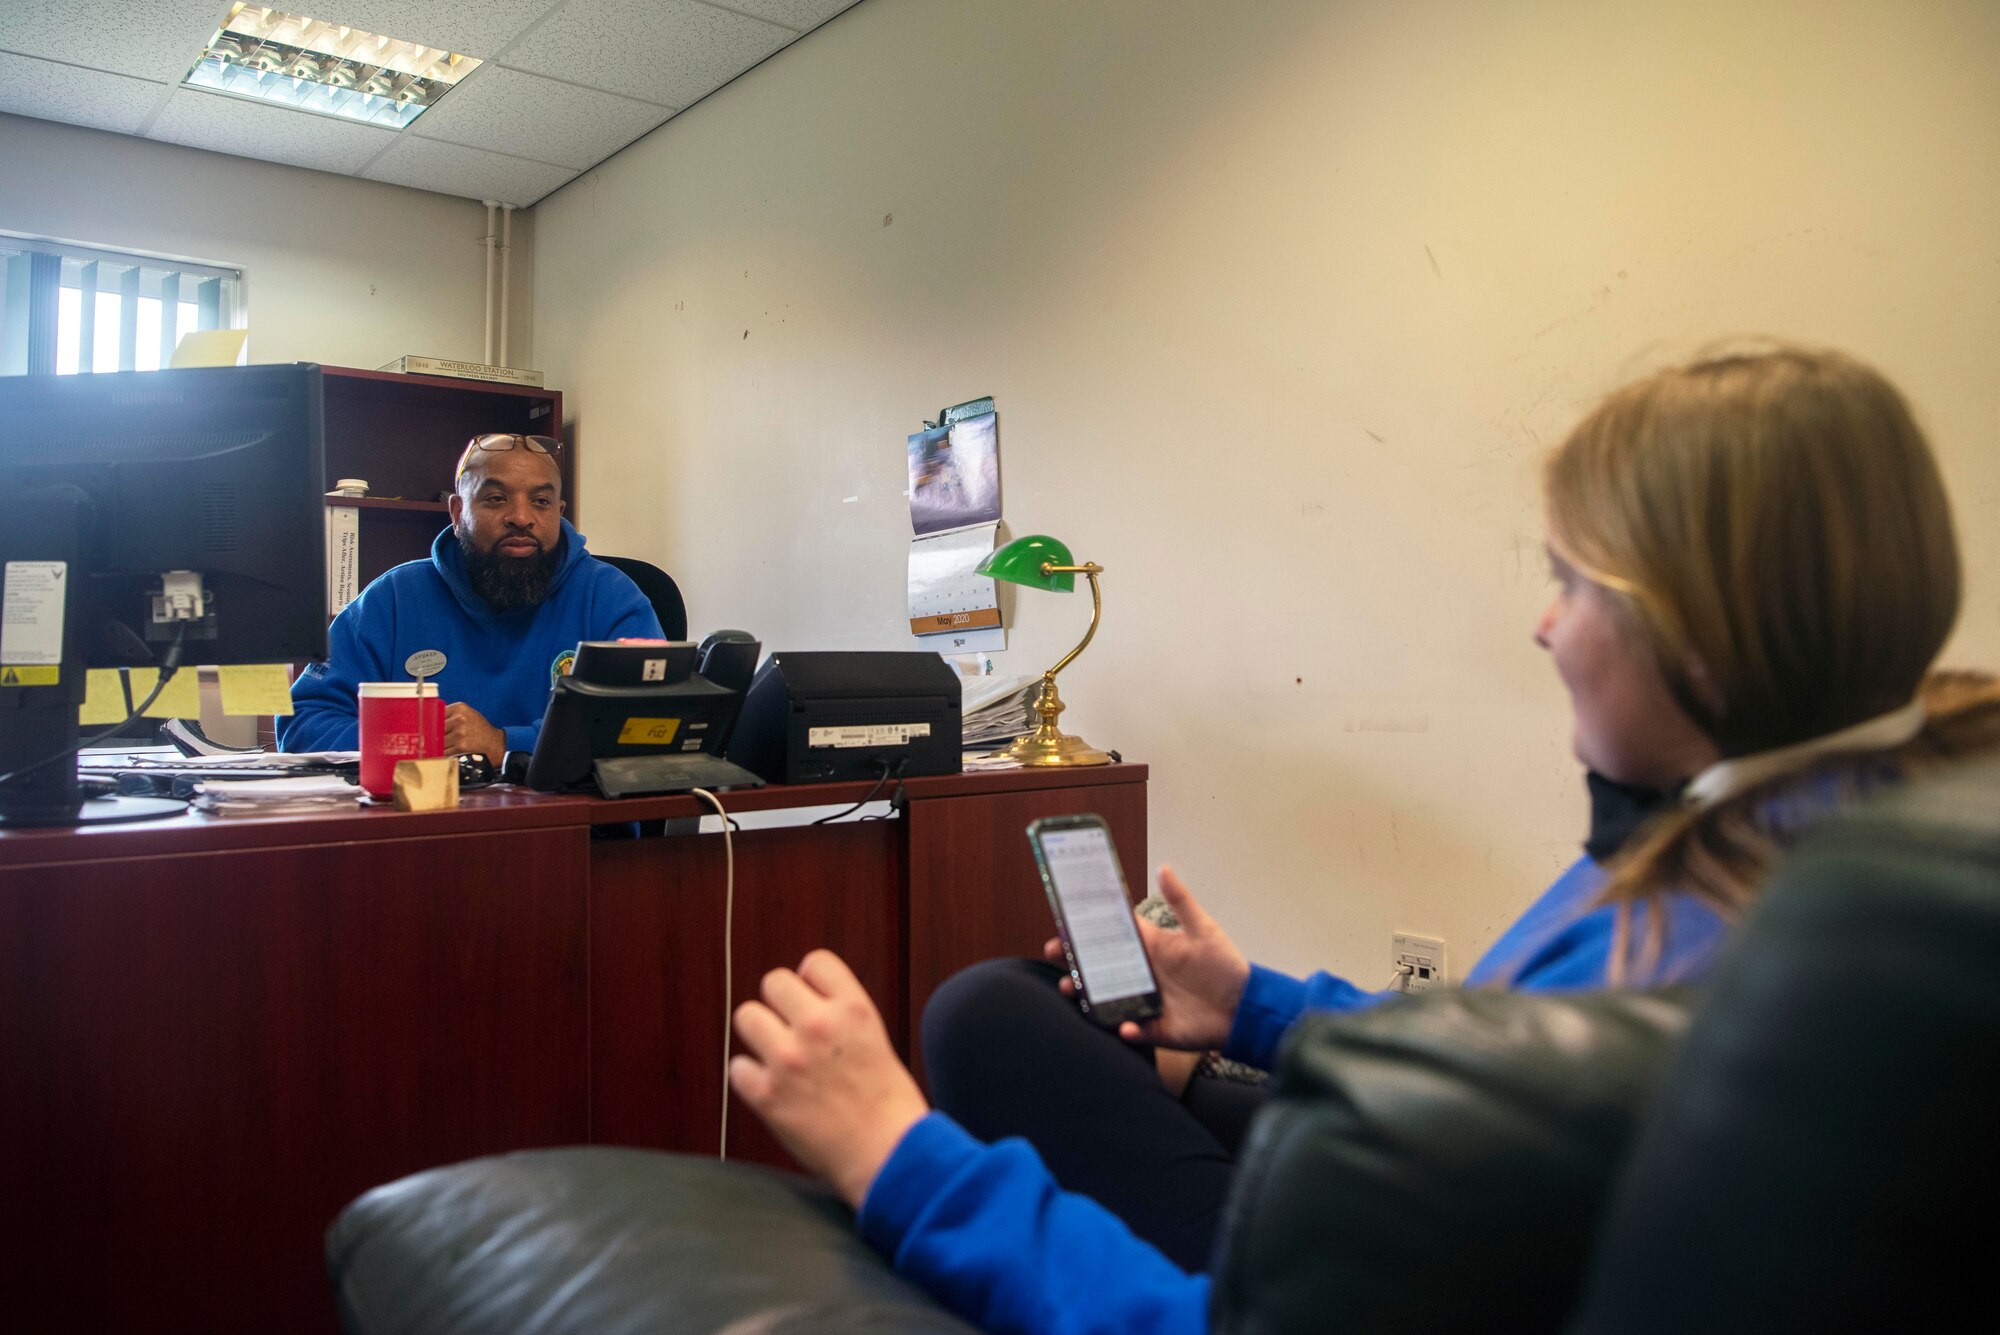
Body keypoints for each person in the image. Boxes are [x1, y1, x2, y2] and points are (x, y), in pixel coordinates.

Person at [724, 344, 2000, 1335]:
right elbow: (1505, 1061)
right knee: (999, 1007)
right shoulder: (1812, 828)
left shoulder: (1695, 944)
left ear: (1700, 636)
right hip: (1435, 1216)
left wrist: (894, 1155)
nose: (1546, 632)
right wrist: (1258, 1009)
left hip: (1311, 1271)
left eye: (1570, 585)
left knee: (967, 1032)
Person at [280, 433, 664, 764]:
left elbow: (653, 722)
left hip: (577, 838)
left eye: (540, 502)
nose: (521, 517)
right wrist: (418, 742)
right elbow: (303, 722)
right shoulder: (393, 600)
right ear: (457, 512)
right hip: (424, 831)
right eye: (496, 499)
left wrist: (504, 744)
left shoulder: (611, 597)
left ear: (560, 512)